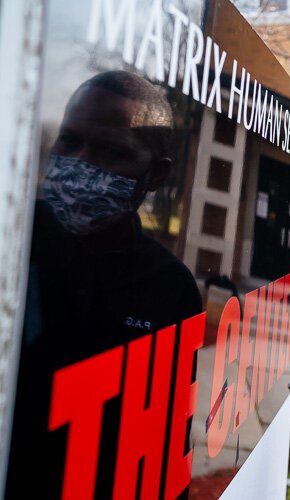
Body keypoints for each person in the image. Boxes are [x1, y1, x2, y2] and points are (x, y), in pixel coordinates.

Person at [6, 71, 202, 498]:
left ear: (155, 174)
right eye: (69, 142)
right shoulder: (11, 238)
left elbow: (166, 447)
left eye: (111, 152)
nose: (81, 165)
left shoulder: (169, 287)